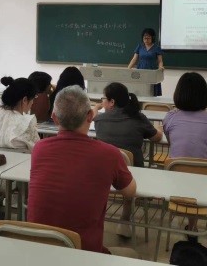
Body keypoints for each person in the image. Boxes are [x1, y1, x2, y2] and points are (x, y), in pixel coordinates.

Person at [28, 86, 137, 256]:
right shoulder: (109, 154)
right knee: (133, 255)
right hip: (84, 255)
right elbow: (130, 191)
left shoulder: (39, 149)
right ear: (90, 116)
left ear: (54, 118)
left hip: (38, 251)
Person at [94, 82, 162, 238]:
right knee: (128, 168)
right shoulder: (138, 118)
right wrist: (158, 129)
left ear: (112, 102)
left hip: (104, 176)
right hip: (133, 176)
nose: (102, 102)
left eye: (104, 99)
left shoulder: (99, 121)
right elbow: (157, 138)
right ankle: (125, 218)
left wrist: (96, 109)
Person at [162, 72, 207, 239]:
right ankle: (195, 226)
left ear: (178, 94)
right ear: (205, 95)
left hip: (174, 183)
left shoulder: (170, 117)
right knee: (200, 170)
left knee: (186, 168)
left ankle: (192, 226)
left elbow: (171, 142)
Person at [0, 76, 40, 151]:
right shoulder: (27, 121)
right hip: (21, 158)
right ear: (25, 100)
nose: (32, 103)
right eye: (33, 99)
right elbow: (37, 148)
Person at [127, 28, 164, 96]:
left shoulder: (157, 48)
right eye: (144, 38)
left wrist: (160, 67)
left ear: (152, 38)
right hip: (140, 72)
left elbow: (160, 61)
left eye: (148, 38)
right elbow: (134, 59)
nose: (146, 40)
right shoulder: (140, 46)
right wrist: (128, 69)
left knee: (151, 92)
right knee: (140, 91)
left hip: (152, 72)